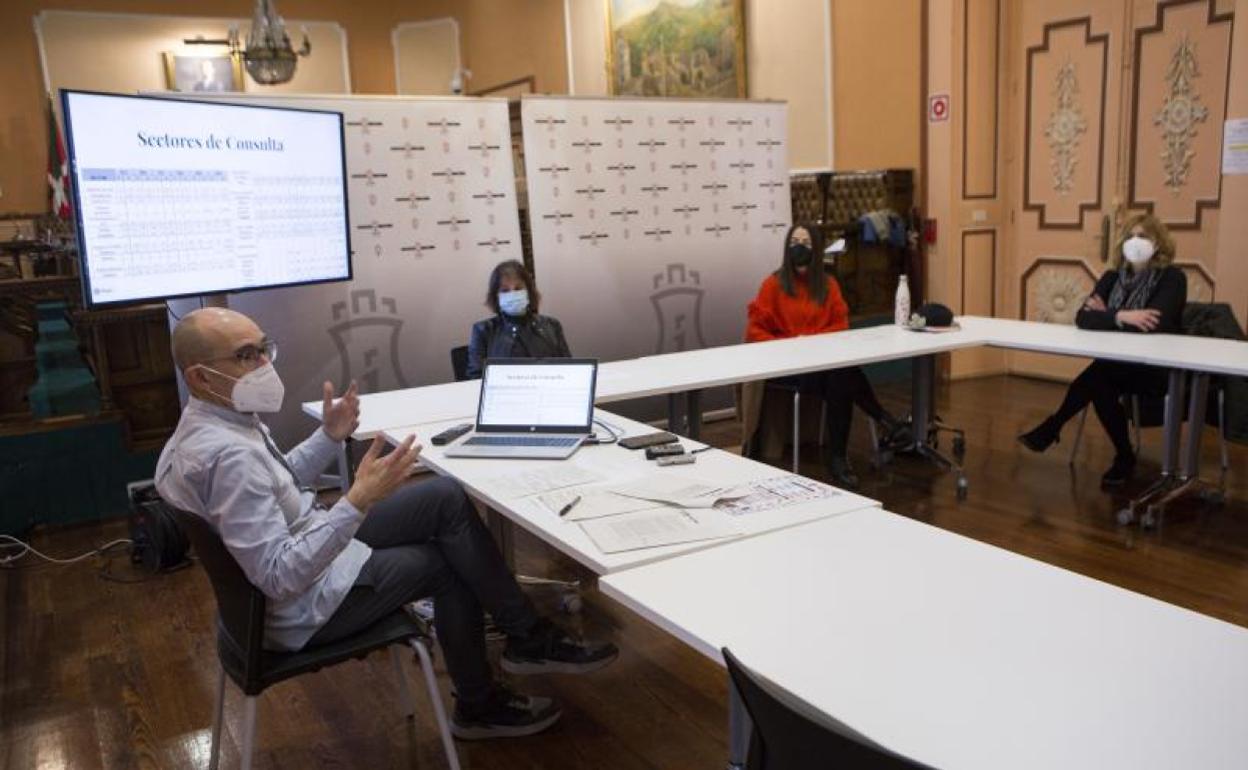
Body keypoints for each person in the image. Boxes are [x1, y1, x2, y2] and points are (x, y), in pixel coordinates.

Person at [155, 308, 616, 741]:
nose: (262, 364)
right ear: (200, 376)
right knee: (448, 566)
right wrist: (355, 501)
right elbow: (280, 576)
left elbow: (277, 487)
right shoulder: (227, 455)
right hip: (300, 608)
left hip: (302, 555)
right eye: (245, 355)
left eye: (262, 348)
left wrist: (326, 438)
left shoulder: (210, 425)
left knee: (444, 497)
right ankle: (480, 703)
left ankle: (526, 637)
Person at [1018, 213, 1187, 486]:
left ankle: (1055, 427)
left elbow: (1154, 322)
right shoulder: (1112, 277)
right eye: (1130, 236)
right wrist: (1122, 317)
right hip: (1119, 365)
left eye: (1143, 236)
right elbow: (1083, 318)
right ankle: (1122, 454)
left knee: (1099, 377)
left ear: (1159, 244)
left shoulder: (1172, 278)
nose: (1135, 242)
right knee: (1101, 380)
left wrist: (1107, 314)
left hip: (1157, 367)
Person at [744, 223, 904, 489]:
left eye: (806, 242)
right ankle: (880, 422)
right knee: (843, 375)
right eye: (794, 241)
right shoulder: (773, 285)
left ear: (815, 248)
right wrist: (788, 345)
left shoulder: (828, 285)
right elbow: (754, 330)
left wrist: (815, 341)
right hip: (788, 367)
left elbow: (841, 325)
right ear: (786, 247)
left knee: (840, 375)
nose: (799, 247)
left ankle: (838, 457)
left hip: (823, 363)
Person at [466, 260, 571, 379]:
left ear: (529, 292)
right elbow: (476, 378)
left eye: (518, 288)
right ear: (496, 296)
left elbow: (569, 369)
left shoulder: (552, 325)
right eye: (505, 290)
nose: (512, 294)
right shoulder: (483, 330)